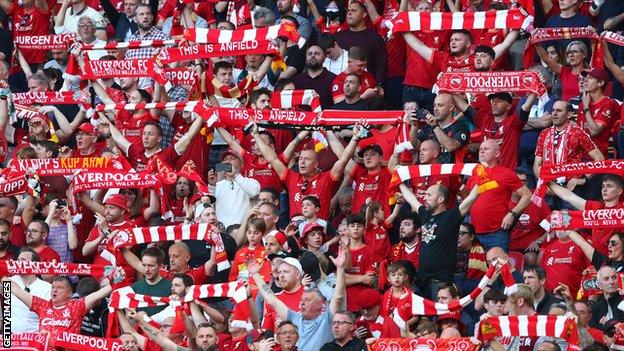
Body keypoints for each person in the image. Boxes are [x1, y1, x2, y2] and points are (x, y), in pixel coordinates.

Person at [251, 245, 347, 351]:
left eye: (286, 272)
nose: (281, 275)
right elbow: (271, 299)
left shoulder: (326, 317)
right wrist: (255, 274)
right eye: (279, 272)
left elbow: (338, 297)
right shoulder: (295, 318)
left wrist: (341, 269)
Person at [399, 179, 480, 299]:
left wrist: (483, 174)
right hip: (421, 280)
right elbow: (410, 198)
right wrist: (399, 180)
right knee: (418, 317)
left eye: (429, 195)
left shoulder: (451, 216)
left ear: (441, 199)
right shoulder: (424, 214)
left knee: (438, 317)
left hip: (440, 282)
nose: (425, 198)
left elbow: (472, 197)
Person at [547, 174, 624, 255]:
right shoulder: (596, 207)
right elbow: (569, 196)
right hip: (595, 258)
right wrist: (547, 182)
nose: (604, 189)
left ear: (619, 191)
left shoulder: (621, 208)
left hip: (617, 259)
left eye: (609, 186)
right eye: (603, 186)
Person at [9, 248, 51, 333]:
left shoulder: (47, 288)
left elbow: (50, 317)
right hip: (11, 338)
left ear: (34, 265)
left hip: (35, 339)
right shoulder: (10, 281)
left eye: (23, 260)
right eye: (18, 260)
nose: (18, 263)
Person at [292, 45, 337, 109]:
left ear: (324, 59)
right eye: (310, 54)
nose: (313, 56)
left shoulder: (334, 79)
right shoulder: (296, 80)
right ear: (306, 59)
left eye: (317, 53)